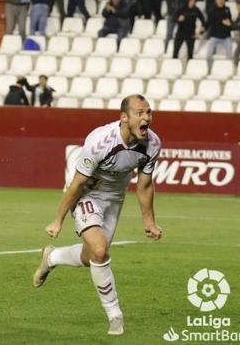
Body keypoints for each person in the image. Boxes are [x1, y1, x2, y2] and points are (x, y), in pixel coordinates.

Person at [33, 94, 163, 336]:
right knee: (101, 250)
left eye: (149, 112)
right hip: (87, 192)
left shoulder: (152, 144)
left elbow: (144, 185)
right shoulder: (101, 141)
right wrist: (58, 219)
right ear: (124, 118)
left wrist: (149, 221)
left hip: (114, 196)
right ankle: (115, 315)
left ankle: (51, 257)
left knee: (90, 256)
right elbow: (77, 183)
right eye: (140, 113)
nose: (147, 118)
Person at [205, 0, 232, 68]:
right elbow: (208, 23)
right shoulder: (211, 10)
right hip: (214, 36)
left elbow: (230, 22)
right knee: (208, 56)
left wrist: (229, 23)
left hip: (226, 37)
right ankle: (209, 69)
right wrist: (202, 31)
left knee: (229, 55)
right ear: (216, 0)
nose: (221, 1)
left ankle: (227, 68)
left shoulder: (227, 9)